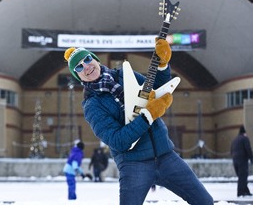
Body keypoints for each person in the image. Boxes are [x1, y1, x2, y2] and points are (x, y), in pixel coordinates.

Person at [63, 39, 214, 205]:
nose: (86, 66)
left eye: (87, 59)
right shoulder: (92, 105)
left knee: (205, 201)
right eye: (79, 67)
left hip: (166, 156)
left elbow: (156, 90)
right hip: (133, 165)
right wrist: (148, 115)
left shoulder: (124, 75)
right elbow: (117, 141)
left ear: (95, 59)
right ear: (79, 76)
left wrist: (162, 65)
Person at [231, 125, 253, 197]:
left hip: (235, 161)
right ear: (244, 132)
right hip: (242, 160)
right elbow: (248, 149)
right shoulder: (245, 138)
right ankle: (240, 192)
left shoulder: (235, 139)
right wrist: (252, 159)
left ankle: (246, 191)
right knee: (243, 176)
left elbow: (231, 151)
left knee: (241, 176)